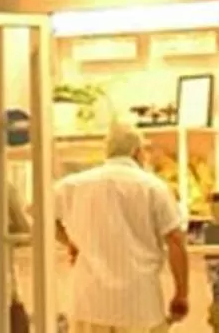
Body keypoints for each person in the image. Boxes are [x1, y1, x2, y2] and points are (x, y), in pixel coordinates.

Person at [55, 117, 191, 329]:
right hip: (139, 306)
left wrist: (69, 241)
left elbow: (38, 215)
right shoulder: (153, 188)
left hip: (89, 304)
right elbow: (175, 240)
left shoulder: (73, 185)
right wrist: (181, 294)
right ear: (137, 152)